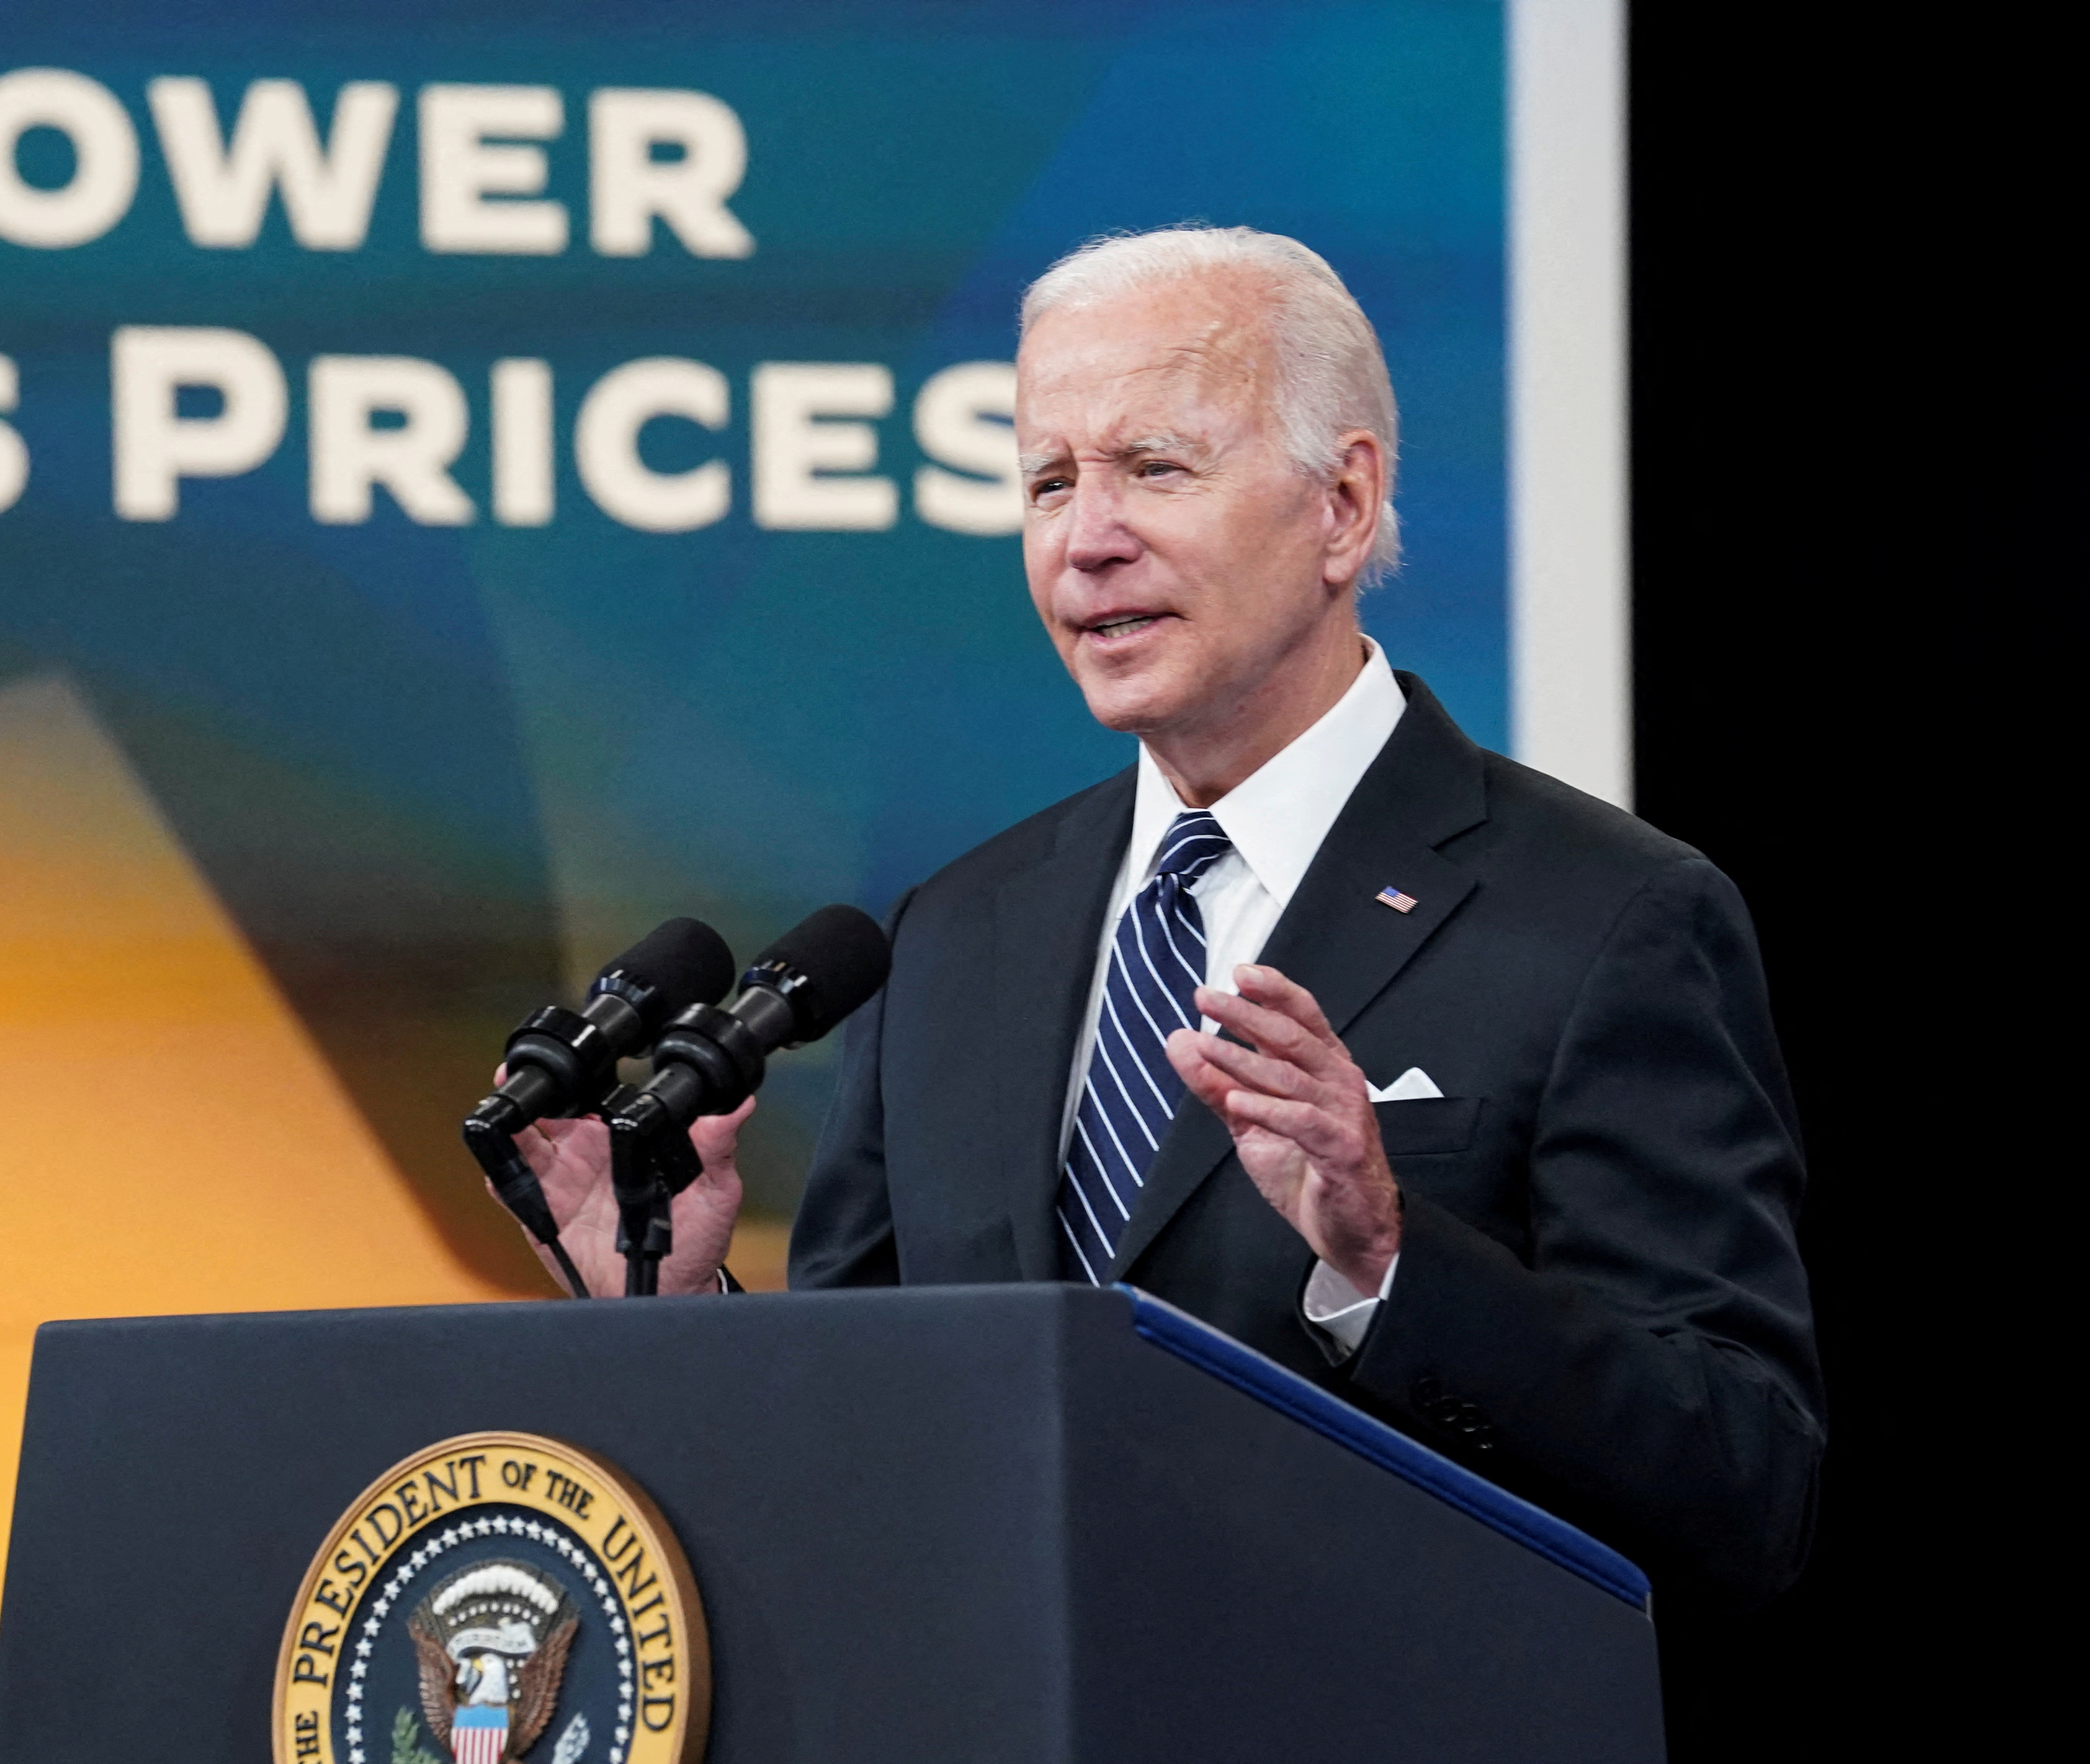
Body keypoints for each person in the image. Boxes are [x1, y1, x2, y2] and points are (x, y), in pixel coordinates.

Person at [506, 226, 1821, 1605]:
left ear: (1343, 504)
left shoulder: (1610, 917)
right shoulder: (960, 931)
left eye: (1154, 468)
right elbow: (868, 1446)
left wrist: (1387, 1262)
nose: (1087, 542)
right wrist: (675, 1318)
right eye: (1048, 480)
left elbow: (1745, 1483)